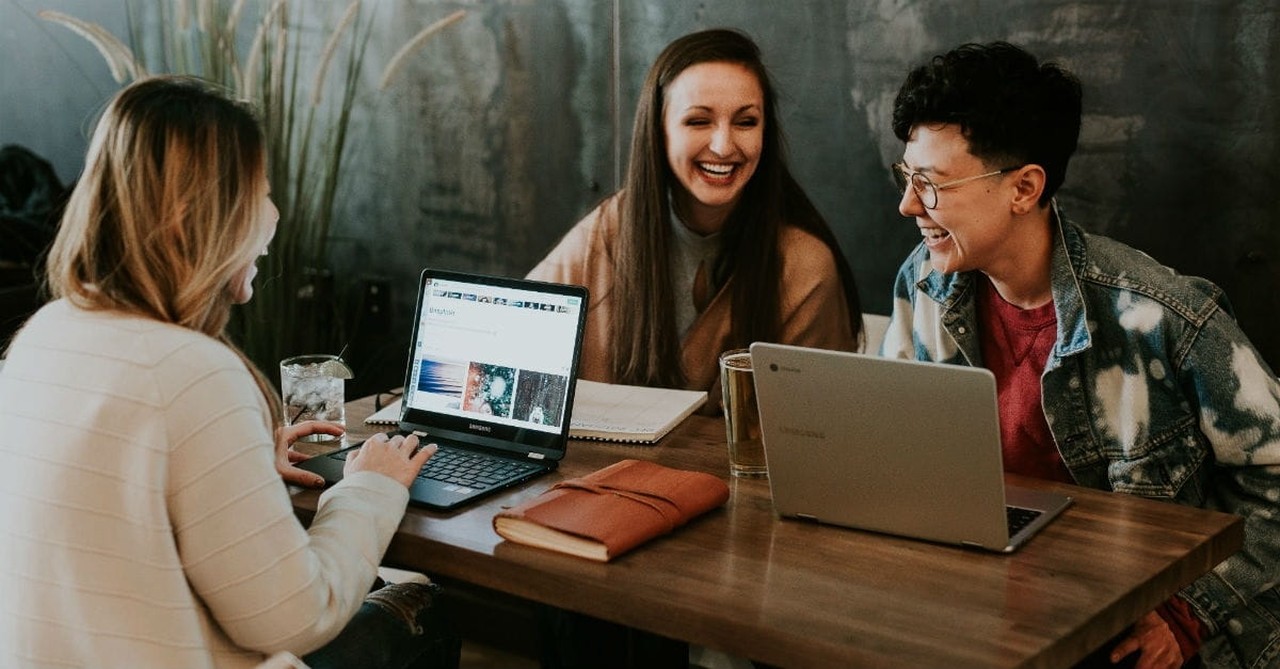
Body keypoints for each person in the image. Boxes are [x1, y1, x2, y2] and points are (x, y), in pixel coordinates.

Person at [0, 76, 459, 669]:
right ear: (196, 217)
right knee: (426, 607)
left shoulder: (43, 336)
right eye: (260, 193)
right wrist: (370, 488)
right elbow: (299, 616)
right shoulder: (192, 372)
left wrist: (237, 468)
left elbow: (107, 517)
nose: (273, 214)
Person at [881, 41, 1280, 669]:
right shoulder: (924, 281)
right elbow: (900, 451)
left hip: (1128, 626)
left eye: (931, 184)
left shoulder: (1163, 317)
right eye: (907, 177)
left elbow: (1274, 476)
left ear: (1024, 187)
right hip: (987, 608)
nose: (908, 205)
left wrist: (1187, 614)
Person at [527, 28, 864, 401]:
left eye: (746, 122)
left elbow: (811, 429)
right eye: (698, 121)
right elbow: (515, 339)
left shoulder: (804, 266)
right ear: (659, 131)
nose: (723, 146)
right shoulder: (607, 230)